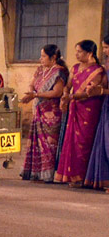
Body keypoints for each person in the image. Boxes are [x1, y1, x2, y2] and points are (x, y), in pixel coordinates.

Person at [54, 40, 106, 185]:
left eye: (79, 51)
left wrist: (71, 97)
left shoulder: (98, 70)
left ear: (89, 53)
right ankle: (69, 175)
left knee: (84, 141)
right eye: (76, 51)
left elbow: (90, 93)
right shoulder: (75, 68)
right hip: (74, 107)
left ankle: (82, 176)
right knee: (71, 140)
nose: (76, 54)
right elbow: (68, 85)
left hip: (89, 109)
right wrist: (65, 94)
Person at [20, 44, 68, 182]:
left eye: (43, 56)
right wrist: (32, 92)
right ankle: (36, 172)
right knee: (37, 143)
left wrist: (36, 95)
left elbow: (57, 92)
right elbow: (32, 84)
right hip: (39, 109)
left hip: (52, 113)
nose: (40, 59)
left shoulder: (59, 72)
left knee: (49, 143)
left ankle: (48, 174)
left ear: (53, 58)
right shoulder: (40, 69)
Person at [82, 35, 109, 191]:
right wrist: (95, 87)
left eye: (106, 47)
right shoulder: (106, 64)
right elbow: (104, 83)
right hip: (106, 106)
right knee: (103, 144)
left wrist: (102, 90)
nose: (104, 51)